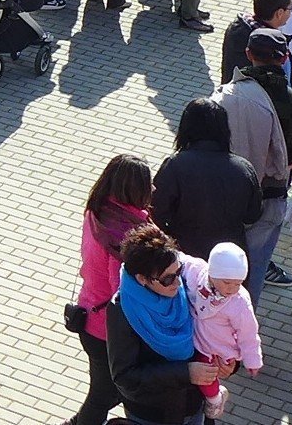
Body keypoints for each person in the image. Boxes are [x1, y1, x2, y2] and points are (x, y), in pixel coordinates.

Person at [65, 153, 155, 425]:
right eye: (147, 184)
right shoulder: (123, 236)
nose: (153, 189)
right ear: (133, 190)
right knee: (103, 396)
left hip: (88, 313)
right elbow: (122, 295)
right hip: (106, 331)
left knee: (104, 391)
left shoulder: (98, 212)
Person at [218, 26, 292, 285]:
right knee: (255, 268)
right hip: (271, 194)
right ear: (285, 58)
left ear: (248, 54)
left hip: (229, 192)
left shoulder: (229, 95)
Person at [106, 222, 216, 425]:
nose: (177, 282)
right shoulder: (122, 311)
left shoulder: (187, 289)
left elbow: (213, 332)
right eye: (167, 279)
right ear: (142, 279)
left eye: (178, 271)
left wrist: (227, 363)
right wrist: (186, 373)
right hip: (152, 415)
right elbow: (125, 376)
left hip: (193, 405)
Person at [152, 97, 261, 265]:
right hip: (230, 263)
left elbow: (155, 210)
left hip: (184, 259)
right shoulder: (243, 168)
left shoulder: (175, 165)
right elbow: (252, 215)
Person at [184, 242, 263, 420]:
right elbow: (184, 262)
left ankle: (215, 399)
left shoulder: (239, 302)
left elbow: (248, 333)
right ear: (212, 273)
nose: (232, 289)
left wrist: (252, 360)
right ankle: (214, 395)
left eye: (238, 283)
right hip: (195, 338)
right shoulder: (198, 273)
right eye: (227, 282)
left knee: (207, 376)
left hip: (217, 348)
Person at [217, 0, 292, 88]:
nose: (291, 13)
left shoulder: (240, 28)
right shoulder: (267, 45)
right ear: (279, 13)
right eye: (290, 9)